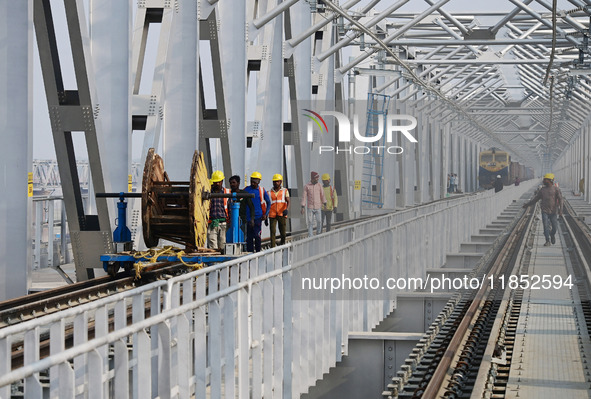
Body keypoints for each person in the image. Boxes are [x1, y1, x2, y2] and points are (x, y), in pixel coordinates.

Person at [522, 173, 563, 246]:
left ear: (550, 180)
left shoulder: (556, 189)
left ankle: (552, 234)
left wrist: (561, 210)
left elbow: (560, 200)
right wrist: (527, 205)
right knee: (545, 226)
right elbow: (535, 199)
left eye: (545, 179)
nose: (543, 180)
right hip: (544, 211)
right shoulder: (542, 190)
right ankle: (547, 241)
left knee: (554, 227)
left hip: (553, 211)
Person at [243, 172, 271, 252]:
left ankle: (258, 252)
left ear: (258, 181)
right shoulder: (246, 190)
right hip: (248, 218)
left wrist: (266, 214)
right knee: (249, 237)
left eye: (255, 181)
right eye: (252, 181)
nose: (253, 183)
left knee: (257, 236)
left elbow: (268, 202)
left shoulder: (261, 190)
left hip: (258, 217)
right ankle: (250, 253)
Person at [207, 171, 230, 253]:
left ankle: (221, 264)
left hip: (223, 223)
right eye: (215, 182)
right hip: (212, 223)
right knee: (212, 246)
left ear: (222, 182)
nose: (217, 184)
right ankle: (214, 264)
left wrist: (230, 221)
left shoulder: (227, 192)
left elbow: (230, 208)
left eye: (218, 182)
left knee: (222, 245)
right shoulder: (208, 193)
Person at [228, 175, 255, 240]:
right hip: (230, 221)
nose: (232, 184)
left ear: (238, 183)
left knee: (242, 238)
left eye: (234, 182)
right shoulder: (228, 194)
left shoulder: (244, 193)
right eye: (231, 183)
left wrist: (252, 219)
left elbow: (251, 207)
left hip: (242, 221)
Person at [301, 171, 326, 237]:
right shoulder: (307, 186)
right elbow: (304, 197)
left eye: (318, 178)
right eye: (316, 178)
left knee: (319, 221)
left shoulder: (319, 185)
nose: (317, 180)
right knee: (310, 222)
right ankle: (310, 236)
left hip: (318, 207)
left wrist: (324, 203)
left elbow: (322, 195)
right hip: (310, 207)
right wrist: (303, 206)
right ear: (312, 178)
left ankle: (318, 233)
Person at [268, 174, 290, 247]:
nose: (275, 183)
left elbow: (288, 201)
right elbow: (268, 204)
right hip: (272, 214)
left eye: (277, 181)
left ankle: (282, 244)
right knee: (272, 232)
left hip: (282, 213)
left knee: (283, 232)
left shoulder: (284, 191)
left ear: (280, 182)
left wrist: (287, 209)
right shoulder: (269, 192)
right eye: (274, 181)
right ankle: (272, 247)